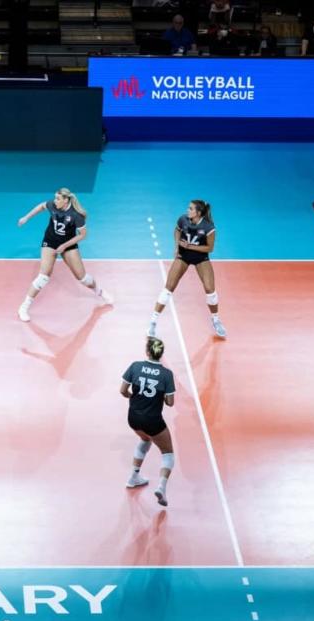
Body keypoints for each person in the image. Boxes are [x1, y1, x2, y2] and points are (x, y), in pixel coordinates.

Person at [16, 188, 113, 323]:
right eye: (55, 198)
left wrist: (64, 246)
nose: (55, 201)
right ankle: (23, 308)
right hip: (50, 242)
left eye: (58, 199)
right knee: (43, 277)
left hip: (68, 244)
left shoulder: (76, 215)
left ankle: (100, 291)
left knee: (83, 278)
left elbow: (83, 235)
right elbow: (41, 206)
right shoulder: (53, 205)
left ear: (66, 200)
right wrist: (26, 217)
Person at [148, 200, 225, 339]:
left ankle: (215, 319)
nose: (187, 210)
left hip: (201, 258)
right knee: (169, 287)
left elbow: (210, 248)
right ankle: (153, 321)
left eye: (191, 209)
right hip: (183, 256)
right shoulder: (183, 220)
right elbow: (177, 230)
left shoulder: (208, 227)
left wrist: (189, 246)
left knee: (210, 289)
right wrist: (177, 246)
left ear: (198, 213)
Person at [121, 337, 176, 506]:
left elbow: (123, 391)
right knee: (168, 453)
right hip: (153, 420)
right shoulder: (166, 374)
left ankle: (133, 476)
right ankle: (161, 488)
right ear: (161, 354)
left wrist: (136, 398)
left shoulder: (135, 366)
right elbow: (170, 402)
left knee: (145, 439)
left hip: (133, 417)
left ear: (147, 351)